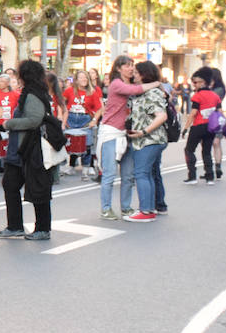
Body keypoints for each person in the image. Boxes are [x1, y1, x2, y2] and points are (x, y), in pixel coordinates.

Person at [0, 60, 55, 240]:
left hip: (30, 148)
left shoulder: (32, 95)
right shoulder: (34, 92)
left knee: (38, 189)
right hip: (21, 148)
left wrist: (10, 123)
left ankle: (42, 228)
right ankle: (15, 226)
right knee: (10, 184)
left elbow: (34, 120)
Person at [97, 55, 160, 220]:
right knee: (109, 174)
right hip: (111, 133)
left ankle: (125, 207)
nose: (131, 68)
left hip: (127, 134)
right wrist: (157, 83)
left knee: (128, 175)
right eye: (127, 65)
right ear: (118, 68)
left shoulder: (131, 83)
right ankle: (106, 209)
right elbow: (135, 91)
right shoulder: (117, 84)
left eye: (132, 65)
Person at [122, 61, 172, 222]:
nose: (133, 75)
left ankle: (145, 211)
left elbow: (161, 116)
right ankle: (150, 208)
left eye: (136, 72)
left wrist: (143, 131)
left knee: (141, 173)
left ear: (144, 74)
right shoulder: (145, 92)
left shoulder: (152, 93)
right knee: (148, 173)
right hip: (148, 140)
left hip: (150, 140)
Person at [183, 67, 221, 185]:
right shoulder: (215, 96)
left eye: (195, 82)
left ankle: (192, 176)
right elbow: (219, 113)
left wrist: (185, 128)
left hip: (198, 125)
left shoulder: (197, 96)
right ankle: (210, 177)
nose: (194, 85)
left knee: (189, 150)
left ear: (203, 82)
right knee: (206, 151)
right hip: (211, 127)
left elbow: (193, 113)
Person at [62, 70, 103, 181]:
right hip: (71, 118)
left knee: (86, 144)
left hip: (84, 119)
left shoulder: (92, 92)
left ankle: (85, 169)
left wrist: (94, 120)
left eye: (85, 77)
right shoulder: (69, 91)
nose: (83, 79)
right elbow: (61, 103)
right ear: (76, 79)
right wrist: (63, 117)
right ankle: (71, 165)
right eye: (81, 77)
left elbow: (99, 108)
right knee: (72, 143)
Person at [207, 67, 226, 179]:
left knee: (216, 143)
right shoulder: (215, 88)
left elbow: (211, 99)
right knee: (212, 144)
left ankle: (218, 166)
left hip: (215, 118)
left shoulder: (219, 88)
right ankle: (212, 167)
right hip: (211, 117)